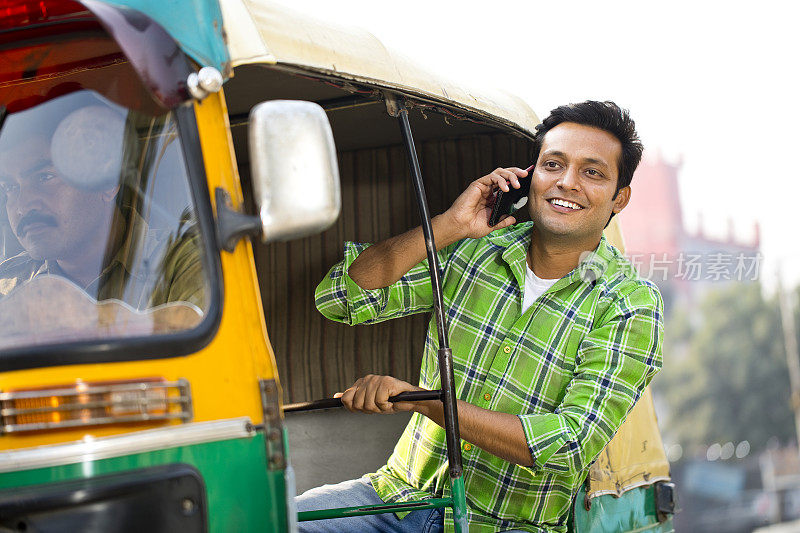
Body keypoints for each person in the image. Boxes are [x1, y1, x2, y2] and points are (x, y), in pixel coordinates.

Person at [303, 100, 663, 533]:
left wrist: (428, 401)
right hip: (398, 500)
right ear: (531, 176)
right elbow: (341, 298)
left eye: (592, 172)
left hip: (503, 526)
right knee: (266, 518)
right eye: (553, 164)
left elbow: (566, 443)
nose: (567, 183)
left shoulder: (629, 304)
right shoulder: (474, 251)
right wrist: (450, 225)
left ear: (618, 198)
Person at [0, 92, 205, 312]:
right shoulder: (7, 286)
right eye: (9, 187)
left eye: (45, 177)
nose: (22, 207)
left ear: (106, 182)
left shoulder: (183, 263)